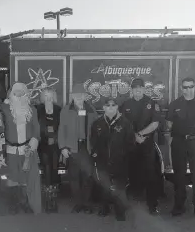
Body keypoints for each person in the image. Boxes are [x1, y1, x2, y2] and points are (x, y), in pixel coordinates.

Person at [166, 77, 195, 220]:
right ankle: (179, 206)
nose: (188, 90)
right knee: (178, 175)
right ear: (181, 88)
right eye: (185, 87)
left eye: (190, 86)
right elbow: (168, 124)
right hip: (179, 142)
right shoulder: (174, 104)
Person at [120, 78, 162, 215]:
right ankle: (128, 205)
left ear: (144, 89)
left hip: (147, 144)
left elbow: (155, 123)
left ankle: (152, 205)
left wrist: (140, 134)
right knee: (130, 174)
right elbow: (121, 124)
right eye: (135, 88)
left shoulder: (151, 103)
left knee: (151, 175)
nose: (137, 90)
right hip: (131, 144)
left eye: (140, 88)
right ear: (131, 90)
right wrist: (134, 136)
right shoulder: (126, 104)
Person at [90, 97, 135, 221]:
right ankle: (104, 208)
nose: (110, 107)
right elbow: (93, 141)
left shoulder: (125, 123)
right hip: (103, 160)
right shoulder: (97, 123)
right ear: (103, 108)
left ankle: (120, 211)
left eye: (113, 105)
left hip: (120, 161)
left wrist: (123, 155)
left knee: (119, 187)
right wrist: (95, 154)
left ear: (117, 107)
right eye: (107, 105)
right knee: (104, 185)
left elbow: (131, 143)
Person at [1, 82, 42, 214]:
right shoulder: (5, 109)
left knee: (25, 177)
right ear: (12, 93)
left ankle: (25, 203)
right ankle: (13, 204)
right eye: (16, 92)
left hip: (27, 149)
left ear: (26, 94)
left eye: (21, 92)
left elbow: (36, 129)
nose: (18, 95)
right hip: (11, 149)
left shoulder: (32, 110)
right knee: (12, 176)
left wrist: (33, 143)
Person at [58, 83, 98, 214]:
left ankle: (86, 203)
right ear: (72, 96)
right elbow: (61, 130)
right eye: (76, 95)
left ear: (85, 96)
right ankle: (78, 203)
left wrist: (95, 147)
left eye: (81, 94)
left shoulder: (91, 109)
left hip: (87, 147)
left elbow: (97, 130)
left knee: (87, 176)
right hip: (72, 147)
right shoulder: (66, 110)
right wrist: (63, 147)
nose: (79, 97)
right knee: (74, 176)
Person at [36, 87, 62, 213]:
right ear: (42, 97)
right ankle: (47, 200)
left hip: (55, 145)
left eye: (50, 95)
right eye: (45, 95)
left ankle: (53, 199)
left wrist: (55, 139)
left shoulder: (59, 110)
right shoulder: (37, 109)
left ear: (54, 96)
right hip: (42, 144)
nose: (48, 98)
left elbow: (63, 127)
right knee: (46, 169)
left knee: (54, 169)